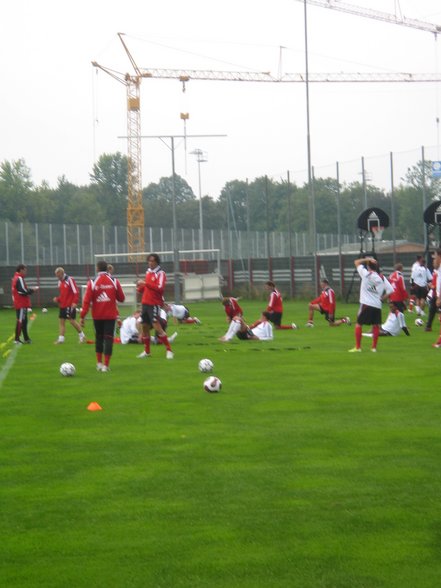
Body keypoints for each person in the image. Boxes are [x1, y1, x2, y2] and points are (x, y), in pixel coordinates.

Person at [80, 260, 125, 372]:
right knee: (109, 339)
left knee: (99, 338)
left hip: (97, 316)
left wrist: (82, 316)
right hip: (110, 316)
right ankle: (106, 365)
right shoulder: (114, 281)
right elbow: (122, 298)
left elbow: (86, 301)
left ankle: (99, 363)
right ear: (107, 269)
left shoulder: (93, 282)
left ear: (97, 269)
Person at [349, 256, 394, 352]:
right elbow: (391, 290)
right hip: (377, 305)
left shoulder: (365, 274)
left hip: (366, 304)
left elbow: (356, 262)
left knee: (359, 324)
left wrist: (366, 259)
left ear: (368, 266)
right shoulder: (381, 278)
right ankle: (373, 348)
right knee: (376, 326)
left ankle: (358, 347)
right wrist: (382, 298)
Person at [136, 253, 174, 359]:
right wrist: (140, 289)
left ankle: (169, 350)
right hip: (145, 303)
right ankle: (147, 352)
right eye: (149, 261)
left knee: (157, 326)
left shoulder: (161, 273)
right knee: (145, 327)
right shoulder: (148, 272)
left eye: (152, 261)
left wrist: (145, 284)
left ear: (157, 262)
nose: (150, 263)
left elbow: (160, 288)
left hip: (154, 304)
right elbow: (147, 287)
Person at [53, 267, 86, 344]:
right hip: (62, 305)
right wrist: (57, 299)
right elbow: (62, 295)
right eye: (56, 276)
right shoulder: (60, 282)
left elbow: (76, 291)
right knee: (61, 321)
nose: (57, 277)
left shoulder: (70, 280)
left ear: (62, 273)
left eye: (58, 276)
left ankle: (82, 336)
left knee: (72, 321)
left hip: (70, 305)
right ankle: (61, 339)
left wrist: (75, 302)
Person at [11, 263, 39, 344]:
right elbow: (22, 291)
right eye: (25, 270)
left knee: (24, 321)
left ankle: (26, 338)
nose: (26, 272)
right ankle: (16, 339)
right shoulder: (19, 278)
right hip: (21, 304)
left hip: (19, 303)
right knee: (20, 321)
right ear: (21, 270)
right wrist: (32, 290)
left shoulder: (16, 278)